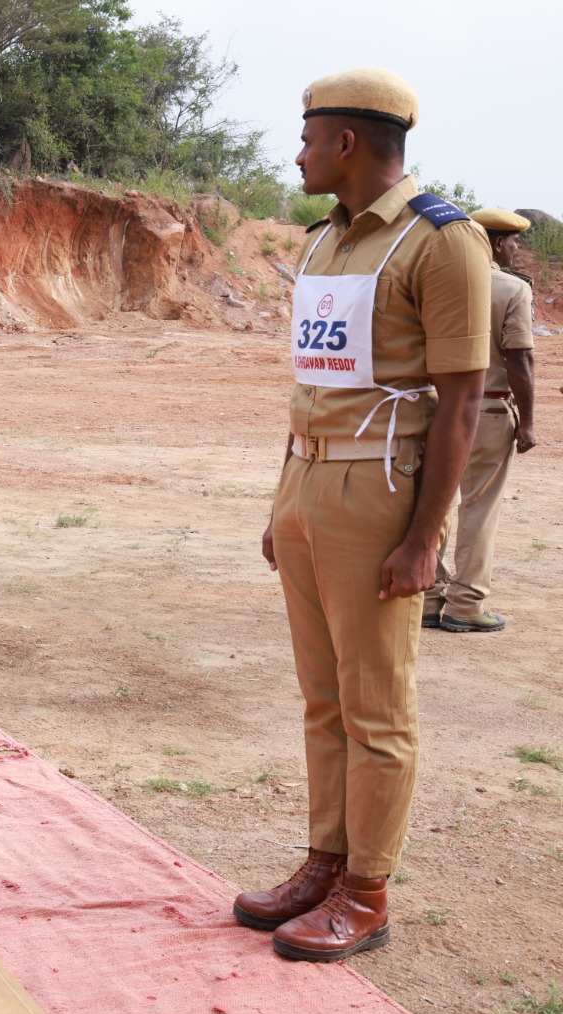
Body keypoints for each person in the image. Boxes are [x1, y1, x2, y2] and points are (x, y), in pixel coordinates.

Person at [234, 68, 490, 964]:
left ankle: (367, 893)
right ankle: (324, 862)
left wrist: (426, 539)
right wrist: (282, 500)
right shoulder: (325, 243)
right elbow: (315, 382)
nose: (298, 153)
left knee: (375, 704)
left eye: (308, 138)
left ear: (347, 142)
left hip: (383, 491)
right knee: (323, 697)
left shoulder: (442, 243)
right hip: (309, 486)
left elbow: (462, 402)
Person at [424, 208, 538, 633]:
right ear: (493, 243)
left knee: (432, 502)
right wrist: (527, 423)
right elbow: (520, 358)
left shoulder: (438, 281)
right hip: (488, 410)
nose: (516, 248)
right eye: (512, 240)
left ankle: (430, 596)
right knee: (479, 508)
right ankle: (467, 603)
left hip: (434, 408)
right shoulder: (511, 288)